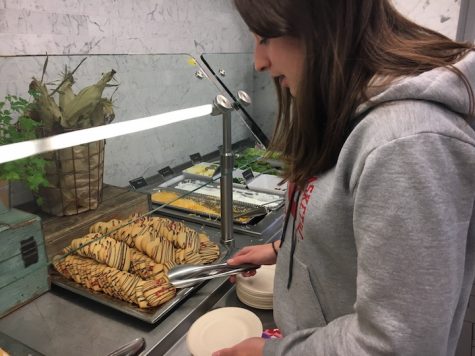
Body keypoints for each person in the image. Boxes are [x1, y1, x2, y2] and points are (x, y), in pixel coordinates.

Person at [212, 0, 475, 355]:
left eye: (265, 38)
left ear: (320, 26)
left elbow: (396, 344)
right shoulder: (348, 110)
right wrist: (283, 250)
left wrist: (270, 353)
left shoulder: (406, 142)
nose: (259, 62)